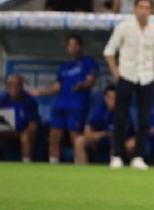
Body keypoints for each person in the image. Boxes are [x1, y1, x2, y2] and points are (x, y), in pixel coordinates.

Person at [103, 0, 154, 170]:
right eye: (140, 7)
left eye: (147, 8)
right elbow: (109, 50)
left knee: (144, 119)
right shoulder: (124, 27)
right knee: (120, 117)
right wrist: (115, 71)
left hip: (147, 77)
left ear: (151, 11)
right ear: (134, 9)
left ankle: (138, 156)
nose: (143, 11)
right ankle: (116, 155)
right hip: (127, 75)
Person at [30, 35, 98, 164]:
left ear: (81, 47)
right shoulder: (64, 66)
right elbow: (57, 86)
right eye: (70, 45)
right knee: (54, 135)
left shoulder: (89, 62)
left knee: (74, 136)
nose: (72, 48)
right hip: (60, 104)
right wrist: (41, 92)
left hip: (77, 105)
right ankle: (53, 163)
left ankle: (79, 163)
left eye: (75, 45)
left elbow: (91, 81)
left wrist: (83, 85)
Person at [73, 84, 119, 165]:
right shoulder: (99, 110)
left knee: (116, 141)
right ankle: (82, 170)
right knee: (79, 141)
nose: (111, 100)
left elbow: (117, 133)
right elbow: (87, 131)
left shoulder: (122, 111)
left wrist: (105, 134)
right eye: (109, 97)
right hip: (99, 141)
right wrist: (102, 134)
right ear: (105, 97)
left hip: (117, 143)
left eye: (114, 98)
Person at [0, 75, 40, 163]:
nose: (14, 88)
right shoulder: (2, 101)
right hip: (5, 132)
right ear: (7, 86)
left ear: (21, 86)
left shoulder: (29, 102)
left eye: (17, 85)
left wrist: (23, 132)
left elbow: (33, 126)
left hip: (23, 132)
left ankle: (26, 163)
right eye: (11, 84)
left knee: (25, 137)